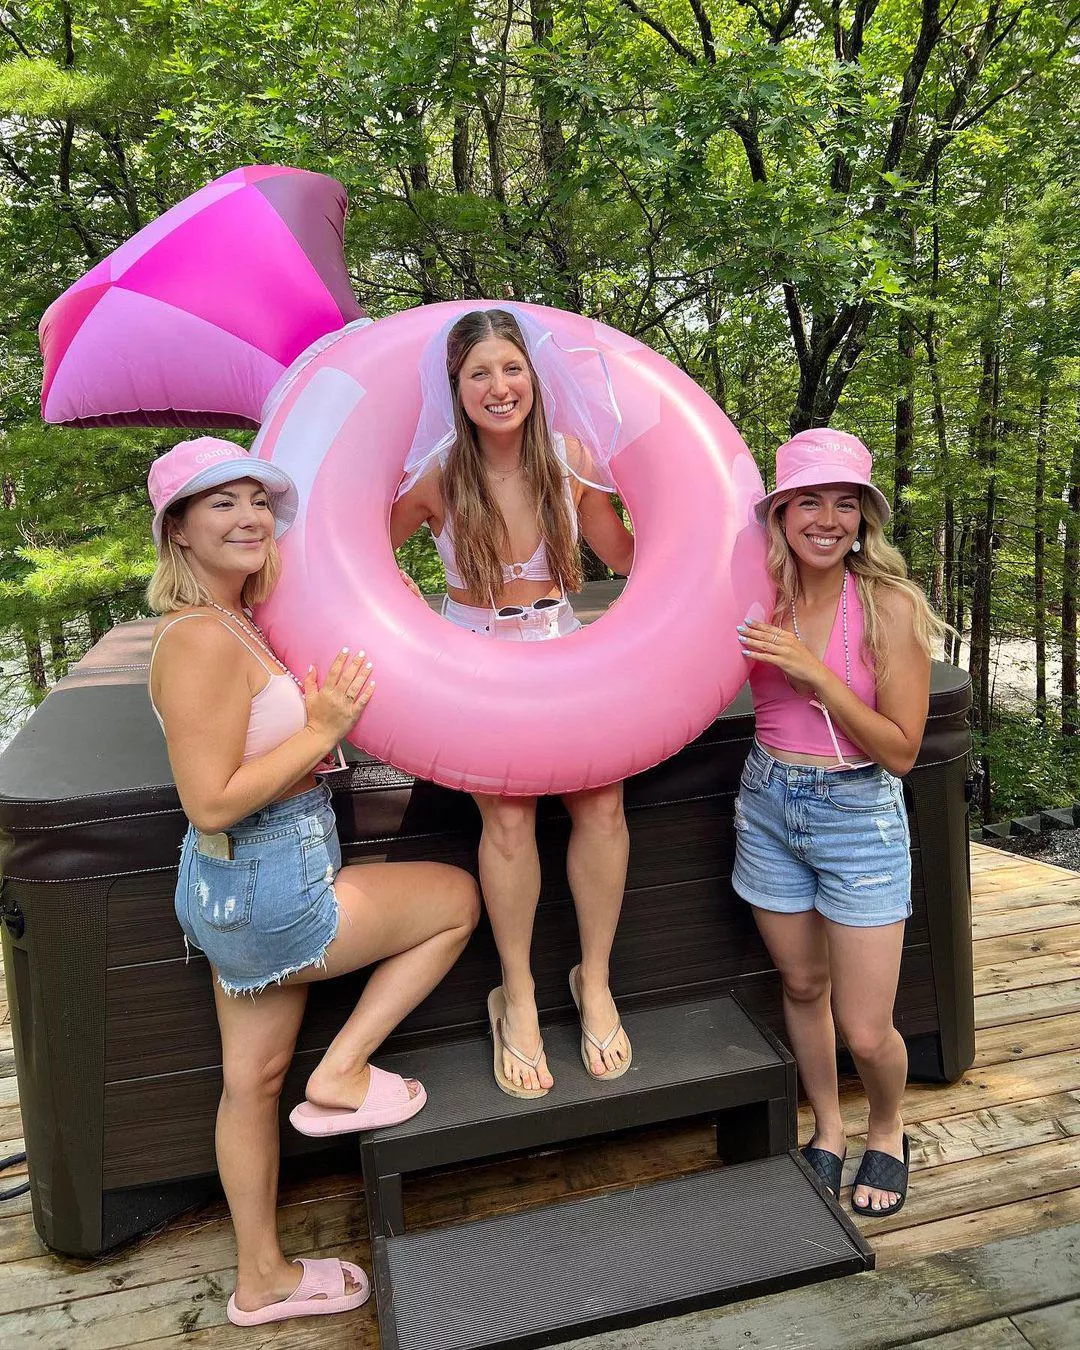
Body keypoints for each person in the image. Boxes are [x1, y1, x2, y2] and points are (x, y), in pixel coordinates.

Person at [146, 437, 479, 1326]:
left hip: (231, 893)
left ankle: (261, 1281)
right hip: (266, 886)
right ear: (176, 529)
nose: (249, 515)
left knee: (251, 1083)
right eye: (220, 504)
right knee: (456, 901)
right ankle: (339, 1073)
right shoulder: (196, 642)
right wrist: (321, 724)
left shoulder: (232, 622)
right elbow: (210, 802)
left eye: (257, 499)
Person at [390, 307, 636, 1098]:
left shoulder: (570, 458)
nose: (500, 387)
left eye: (512, 368)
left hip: (564, 646)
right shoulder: (436, 475)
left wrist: (659, 491)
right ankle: (517, 995)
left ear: (532, 375)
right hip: (476, 655)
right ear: (456, 389)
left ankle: (593, 981)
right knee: (508, 816)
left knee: (601, 803)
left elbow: (623, 553)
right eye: (479, 374)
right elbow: (359, 555)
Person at [733, 428, 947, 1218]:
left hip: (858, 814)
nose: (827, 519)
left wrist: (815, 674)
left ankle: (887, 1128)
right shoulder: (754, 592)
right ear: (782, 512)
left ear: (865, 517)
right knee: (801, 982)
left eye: (846, 503)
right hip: (767, 805)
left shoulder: (891, 605)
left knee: (865, 1026)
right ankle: (826, 1127)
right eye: (810, 501)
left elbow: (900, 751)